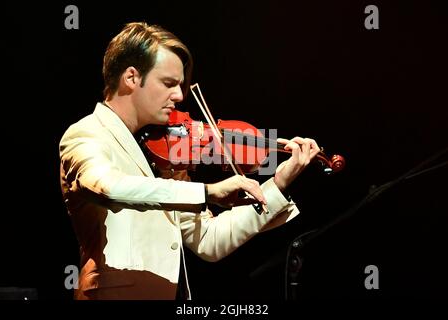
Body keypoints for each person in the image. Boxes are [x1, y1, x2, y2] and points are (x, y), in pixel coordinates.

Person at [59, 21, 321, 300]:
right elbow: (109, 187)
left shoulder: (165, 154)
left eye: (181, 85)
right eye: (169, 84)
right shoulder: (87, 134)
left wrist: (278, 183)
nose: (180, 96)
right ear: (132, 77)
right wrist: (208, 192)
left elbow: (209, 241)